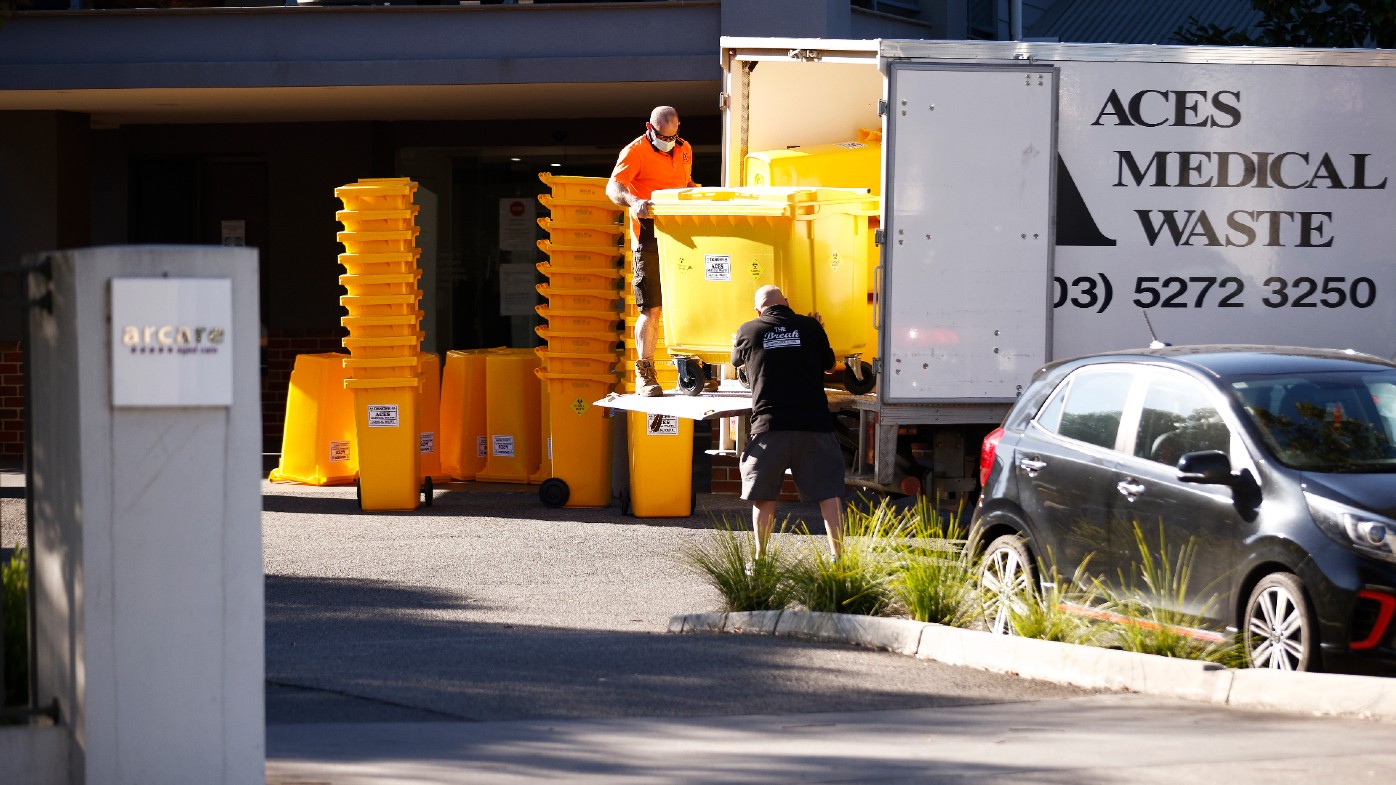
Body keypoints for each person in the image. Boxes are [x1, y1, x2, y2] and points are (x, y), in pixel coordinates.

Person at [731, 285, 845, 560]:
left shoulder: (749, 329)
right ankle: (839, 560)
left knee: (764, 496)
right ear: (787, 302)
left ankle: (760, 559)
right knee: (828, 493)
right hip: (814, 423)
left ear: (758, 310)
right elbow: (830, 365)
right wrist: (816, 330)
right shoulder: (809, 326)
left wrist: (737, 340)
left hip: (770, 426)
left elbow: (736, 362)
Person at [607, 105, 697, 397]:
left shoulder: (685, 150)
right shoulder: (635, 151)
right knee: (651, 307)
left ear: (678, 128)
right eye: (662, 136)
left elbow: (684, 184)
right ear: (650, 127)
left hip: (682, 236)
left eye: (673, 135)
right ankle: (646, 370)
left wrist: (699, 193)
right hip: (648, 238)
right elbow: (614, 187)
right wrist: (634, 201)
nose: (668, 141)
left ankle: (690, 363)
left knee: (687, 303)